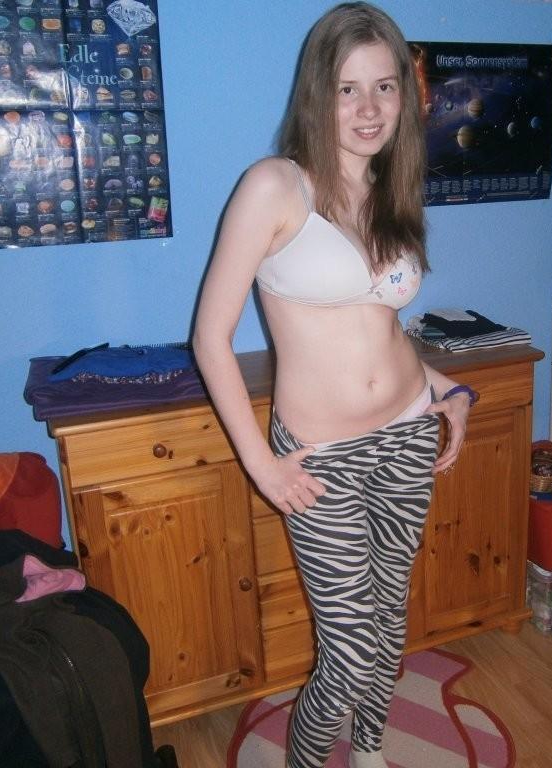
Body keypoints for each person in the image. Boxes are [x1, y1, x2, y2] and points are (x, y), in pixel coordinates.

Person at [192, 4, 476, 766]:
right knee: (347, 651)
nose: (369, 108)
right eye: (349, 89)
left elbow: (382, 328)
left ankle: (372, 749)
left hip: (407, 431)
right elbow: (210, 338)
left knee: (390, 621)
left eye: (385, 87)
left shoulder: (390, 188)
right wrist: (261, 465)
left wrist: (447, 391)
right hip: (321, 457)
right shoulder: (274, 186)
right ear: (318, 93)